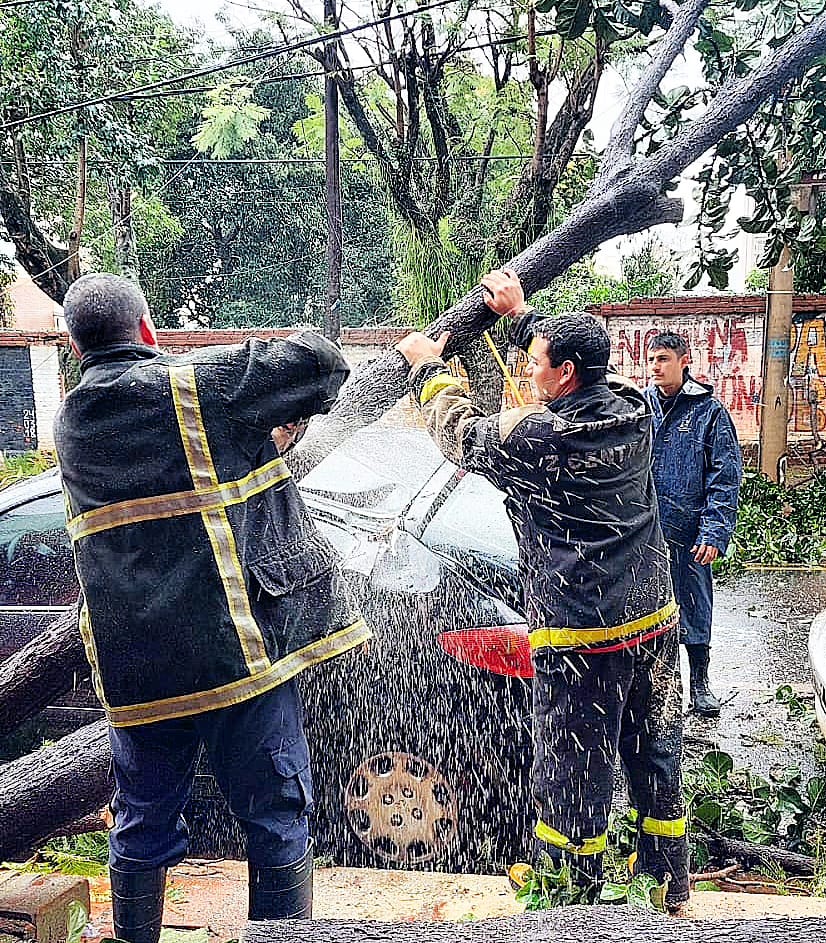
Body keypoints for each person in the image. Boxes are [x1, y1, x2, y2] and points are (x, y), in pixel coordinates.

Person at [54, 274, 371, 943]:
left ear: (74, 346)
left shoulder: (72, 421)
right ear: (147, 330)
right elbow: (320, 361)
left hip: (137, 673)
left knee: (142, 819)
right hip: (234, 654)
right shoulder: (195, 384)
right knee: (276, 812)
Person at [396, 270, 689, 908]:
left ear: (564, 375)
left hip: (583, 631)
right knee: (653, 749)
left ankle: (567, 886)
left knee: (574, 763)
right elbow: (579, 367)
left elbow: (464, 436)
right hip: (654, 619)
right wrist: (524, 318)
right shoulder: (637, 411)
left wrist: (428, 369)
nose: (529, 374)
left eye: (536, 365)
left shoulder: (541, 438)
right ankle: (665, 879)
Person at [645, 332, 742, 716]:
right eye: (652, 359)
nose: (656, 366)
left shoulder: (709, 413)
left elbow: (725, 477)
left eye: (664, 359)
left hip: (690, 532)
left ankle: (700, 682)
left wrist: (715, 531)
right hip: (645, 529)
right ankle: (663, 687)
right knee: (650, 609)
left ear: (686, 361)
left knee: (695, 605)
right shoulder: (640, 407)